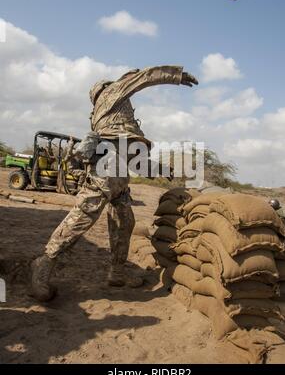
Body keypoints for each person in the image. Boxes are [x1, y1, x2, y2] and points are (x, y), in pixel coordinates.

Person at [30, 65, 198, 302]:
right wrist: (176, 76)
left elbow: (136, 161)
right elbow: (144, 78)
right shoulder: (113, 93)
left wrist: (163, 170)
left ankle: (116, 273)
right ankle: (44, 263)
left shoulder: (115, 124)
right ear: (106, 90)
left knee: (124, 223)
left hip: (117, 180)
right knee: (81, 218)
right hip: (105, 175)